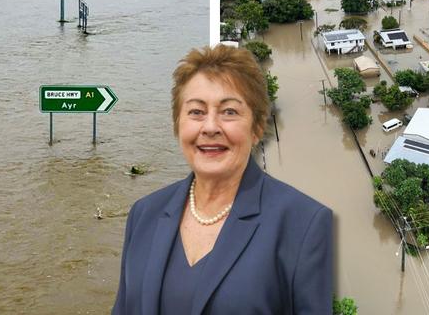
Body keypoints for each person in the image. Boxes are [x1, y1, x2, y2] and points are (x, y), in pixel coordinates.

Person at [112, 45, 333, 314]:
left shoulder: (303, 224)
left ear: (256, 128)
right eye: (196, 112)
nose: (210, 127)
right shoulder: (144, 214)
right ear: (177, 124)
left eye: (229, 112)